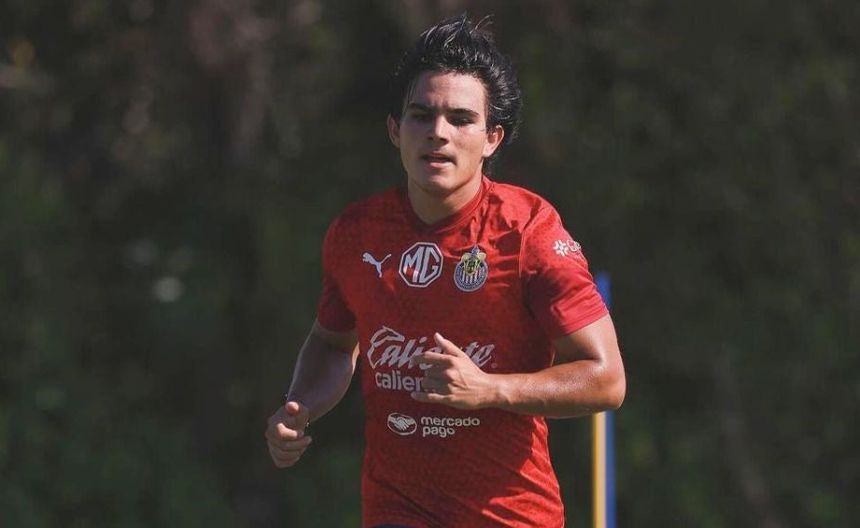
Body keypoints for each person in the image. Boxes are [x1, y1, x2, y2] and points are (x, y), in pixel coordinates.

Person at [265, 13, 625, 528]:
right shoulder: (357, 234)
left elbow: (606, 379)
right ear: (395, 130)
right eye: (421, 115)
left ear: (492, 138)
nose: (438, 133)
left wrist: (490, 389)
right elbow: (332, 343)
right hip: (395, 511)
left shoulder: (529, 231)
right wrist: (299, 405)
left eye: (460, 119)